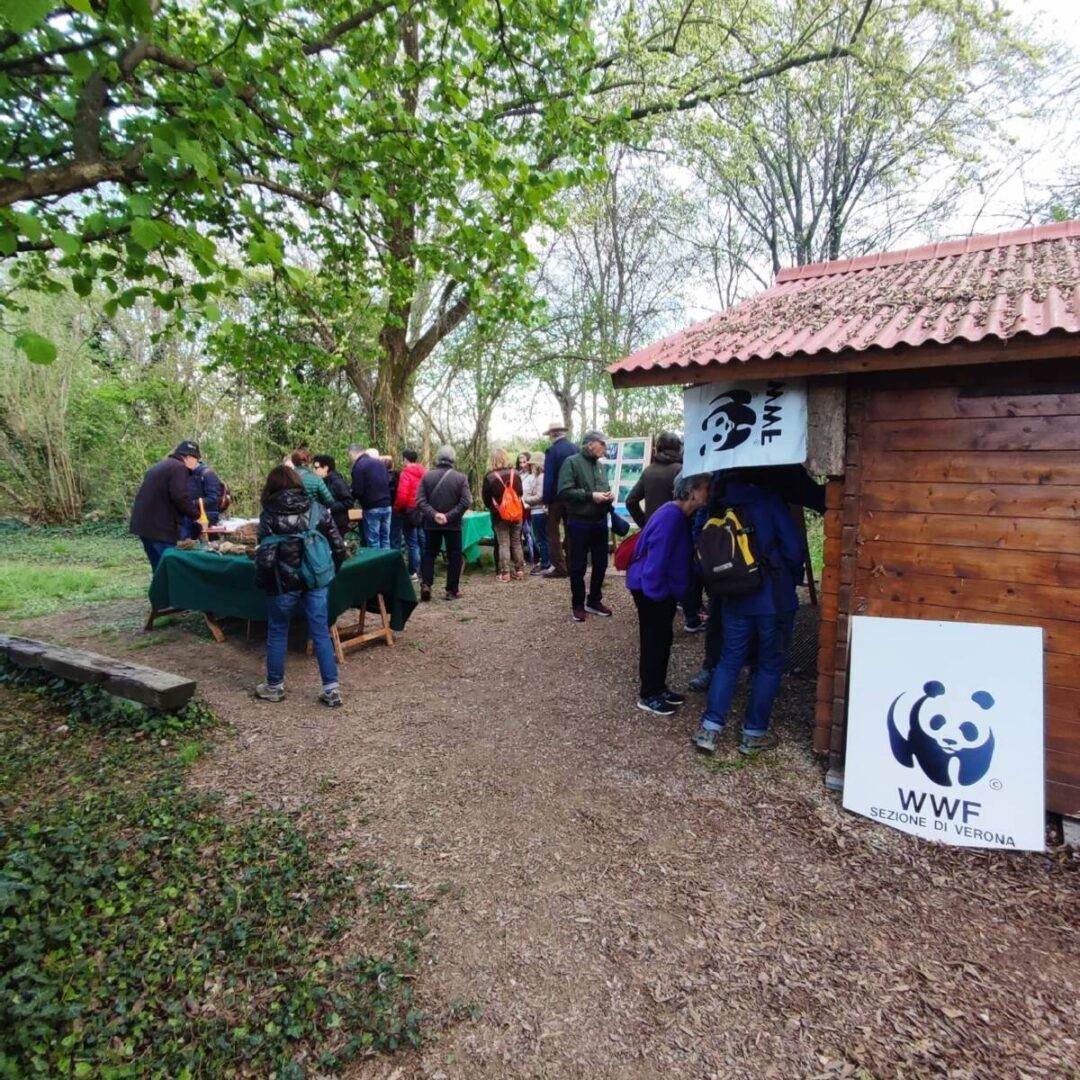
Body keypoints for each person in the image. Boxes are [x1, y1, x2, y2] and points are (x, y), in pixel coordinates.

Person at [692, 474, 808, 756]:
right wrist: (790, 577)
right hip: (774, 597)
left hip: (735, 595)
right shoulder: (769, 500)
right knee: (769, 665)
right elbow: (793, 549)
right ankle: (753, 733)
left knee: (729, 660)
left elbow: (700, 542)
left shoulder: (718, 503)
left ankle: (710, 728)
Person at [253, 465, 346, 708]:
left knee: (277, 631)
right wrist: (331, 573)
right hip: (315, 580)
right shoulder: (317, 508)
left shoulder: (269, 514)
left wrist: (263, 583)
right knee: (321, 632)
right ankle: (331, 690)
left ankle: (274, 686)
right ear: (298, 482)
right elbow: (339, 546)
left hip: (283, 583)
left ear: (272, 486)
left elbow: (265, 556)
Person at [626, 472, 710, 716]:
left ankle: (658, 688)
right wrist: (658, 594)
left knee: (662, 640)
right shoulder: (672, 516)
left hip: (658, 589)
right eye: (706, 488)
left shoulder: (677, 514)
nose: (709, 492)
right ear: (692, 491)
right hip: (652, 590)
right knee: (654, 641)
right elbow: (657, 558)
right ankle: (649, 694)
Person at [557, 430, 614, 622]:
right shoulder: (571, 462)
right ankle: (578, 605)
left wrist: (608, 495)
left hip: (600, 522)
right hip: (579, 522)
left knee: (601, 564)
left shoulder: (600, 466)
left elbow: (603, 488)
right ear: (590, 444)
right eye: (602, 444)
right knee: (578, 566)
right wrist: (590, 496)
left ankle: (594, 601)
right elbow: (564, 491)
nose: (605, 447)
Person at [129, 440, 203, 570]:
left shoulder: (159, 466)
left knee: (158, 569)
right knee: (170, 568)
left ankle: (159, 584)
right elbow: (180, 497)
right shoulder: (179, 468)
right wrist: (197, 516)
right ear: (188, 457)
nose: (196, 464)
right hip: (160, 528)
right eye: (197, 459)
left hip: (143, 526)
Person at [415, 445, 471, 601]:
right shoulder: (461, 478)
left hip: (431, 524)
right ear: (453, 459)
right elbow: (466, 501)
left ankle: (426, 585)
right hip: (453, 525)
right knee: (454, 556)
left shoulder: (427, 477)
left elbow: (420, 500)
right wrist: (448, 516)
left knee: (429, 554)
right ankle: (452, 590)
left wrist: (434, 515)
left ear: (437, 458)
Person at [482, 448, 526, 582]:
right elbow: (520, 492)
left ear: (492, 461)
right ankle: (519, 571)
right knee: (516, 542)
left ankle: (505, 573)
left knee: (503, 544)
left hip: (499, 515)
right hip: (517, 513)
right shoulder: (516, 473)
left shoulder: (490, 477)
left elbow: (486, 499)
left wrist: (496, 506)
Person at [541, 420, 578, 578]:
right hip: (573, 496)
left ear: (551, 434)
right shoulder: (575, 448)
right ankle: (572, 565)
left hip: (556, 498)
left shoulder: (552, 451)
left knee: (553, 533)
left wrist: (546, 500)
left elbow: (548, 478)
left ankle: (560, 567)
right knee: (571, 531)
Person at [626, 432, 683, 528]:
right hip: (675, 529)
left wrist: (645, 524)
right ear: (678, 448)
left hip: (653, 529)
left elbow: (630, 501)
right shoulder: (681, 471)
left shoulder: (648, 471)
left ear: (658, 448)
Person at [349, 445, 392, 549]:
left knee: (373, 541)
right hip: (387, 505)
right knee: (385, 539)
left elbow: (358, 490)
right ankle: (387, 559)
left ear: (352, 454)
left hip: (372, 506)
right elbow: (388, 481)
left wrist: (350, 498)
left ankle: (376, 560)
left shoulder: (359, 466)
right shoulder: (380, 463)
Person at [392, 448, 426, 578]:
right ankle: (425, 569)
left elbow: (402, 496)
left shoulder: (405, 473)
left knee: (412, 543)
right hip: (422, 509)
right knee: (422, 540)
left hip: (409, 511)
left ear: (405, 459)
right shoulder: (424, 472)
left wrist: (396, 508)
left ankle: (413, 571)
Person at [178, 458, 224, 540]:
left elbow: (213, 499)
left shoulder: (208, 474)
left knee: (208, 544)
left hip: (207, 516)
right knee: (186, 544)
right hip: (189, 516)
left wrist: (192, 503)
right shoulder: (185, 475)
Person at [312, 454, 354, 538]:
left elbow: (349, 502)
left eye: (316, 468)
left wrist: (330, 509)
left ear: (325, 468)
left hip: (337, 523)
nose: (314, 471)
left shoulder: (337, 482)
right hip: (328, 522)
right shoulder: (323, 481)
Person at [522, 453, 550, 573]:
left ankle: (545, 564)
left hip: (538, 512)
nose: (531, 467)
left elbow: (539, 496)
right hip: (539, 511)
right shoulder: (542, 476)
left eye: (533, 464)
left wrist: (526, 499)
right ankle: (546, 562)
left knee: (542, 539)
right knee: (543, 538)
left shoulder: (540, 477)